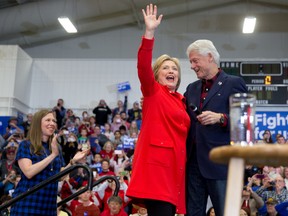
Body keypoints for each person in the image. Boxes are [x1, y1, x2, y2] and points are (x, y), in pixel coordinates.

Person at [126, 4, 190, 216]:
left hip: (175, 171)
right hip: (156, 172)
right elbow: (143, 66)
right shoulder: (153, 92)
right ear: (157, 74)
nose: (171, 71)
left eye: (175, 69)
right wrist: (149, 32)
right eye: (166, 68)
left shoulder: (182, 100)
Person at [184, 37, 248, 215]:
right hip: (194, 163)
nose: (192, 65)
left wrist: (221, 118)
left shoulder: (234, 83)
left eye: (195, 60)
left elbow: (245, 122)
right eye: (191, 61)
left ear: (210, 57)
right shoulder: (191, 88)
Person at [10, 109, 89, 215]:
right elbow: (28, 172)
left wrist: (73, 161)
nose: (52, 123)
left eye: (54, 121)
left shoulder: (56, 148)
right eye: (48, 120)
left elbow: (59, 176)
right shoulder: (26, 145)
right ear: (38, 123)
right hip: (28, 203)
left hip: (49, 204)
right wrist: (52, 155)